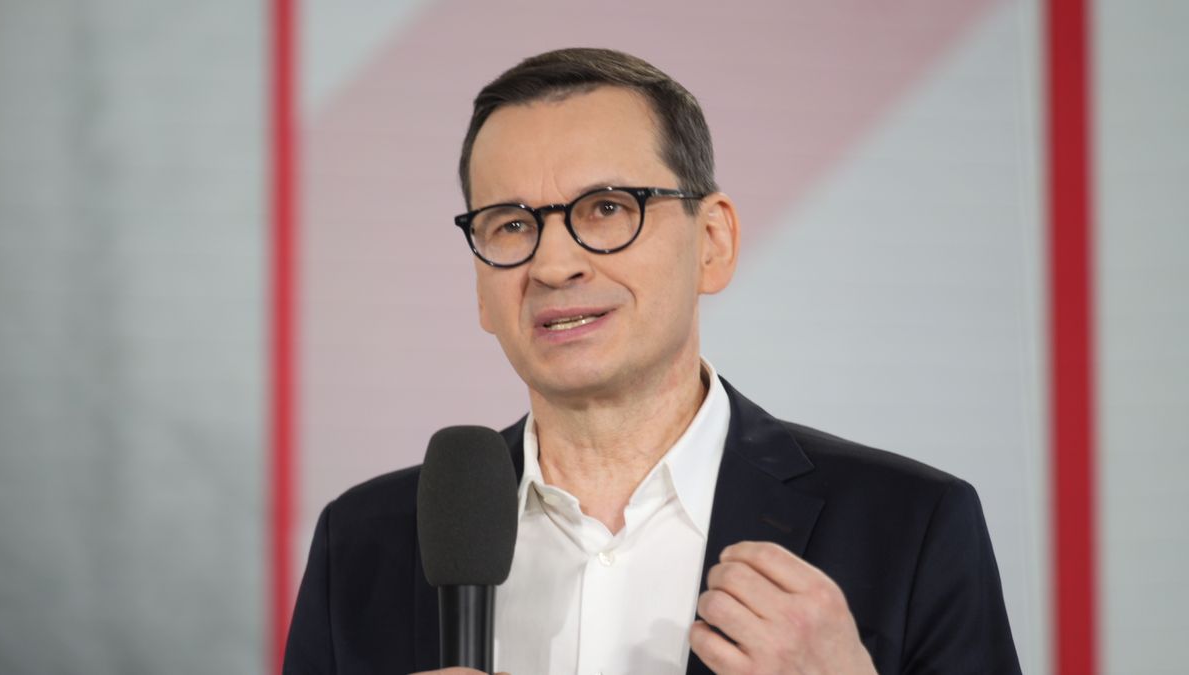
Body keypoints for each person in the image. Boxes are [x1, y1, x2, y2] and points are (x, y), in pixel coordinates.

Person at [284, 48, 1021, 675]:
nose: (554, 262)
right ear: (481, 287)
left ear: (713, 241)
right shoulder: (366, 540)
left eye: (607, 207)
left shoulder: (910, 525)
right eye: (511, 225)